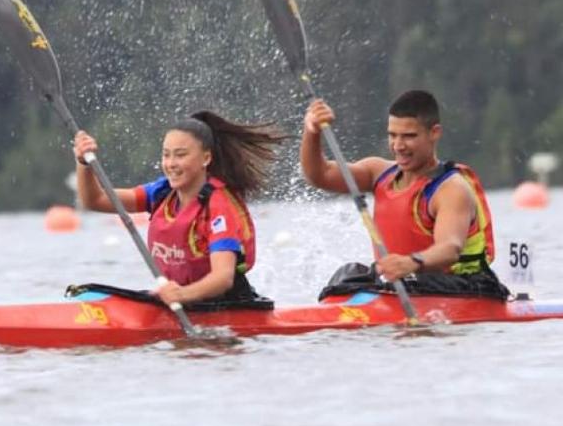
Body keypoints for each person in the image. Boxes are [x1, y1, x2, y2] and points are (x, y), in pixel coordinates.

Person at [300, 89, 507, 299]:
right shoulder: (377, 173)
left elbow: (450, 248)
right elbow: (320, 175)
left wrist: (410, 262)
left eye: (409, 136)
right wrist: (313, 132)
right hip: (403, 284)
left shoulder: (451, 189)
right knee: (348, 274)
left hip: (461, 287)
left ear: (434, 133)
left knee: (405, 282)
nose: (398, 146)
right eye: (392, 135)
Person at [73, 111, 285, 306]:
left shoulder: (219, 205)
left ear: (206, 158)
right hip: (180, 302)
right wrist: (84, 163)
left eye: (180, 155)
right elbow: (95, 200)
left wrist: (182, 295)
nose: (171, 163)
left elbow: (223, 278)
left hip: (226, 304)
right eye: (166, 155)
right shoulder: (161, 192)